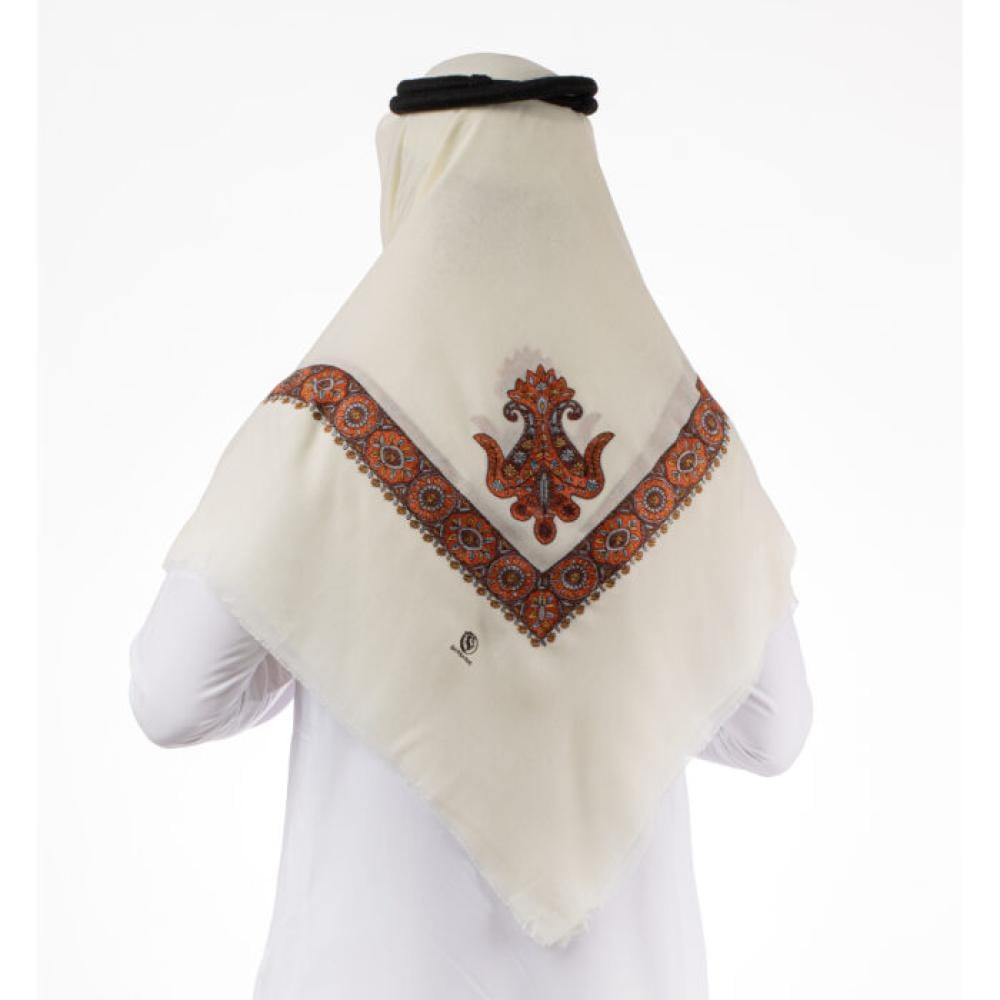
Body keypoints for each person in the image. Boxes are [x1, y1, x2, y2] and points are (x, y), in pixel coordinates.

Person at [130, 52, 813, 999]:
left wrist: (336, 632)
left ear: (409, 178)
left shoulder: (324, 430)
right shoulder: (682, 446)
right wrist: (616, 669)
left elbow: (170, 699)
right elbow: (776, 733)